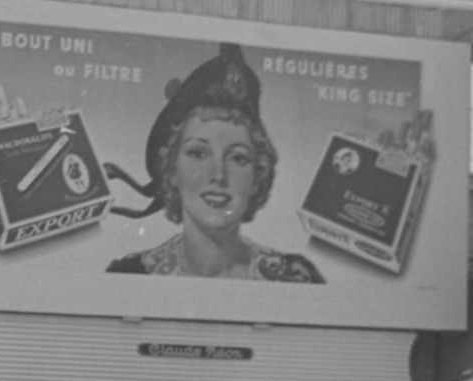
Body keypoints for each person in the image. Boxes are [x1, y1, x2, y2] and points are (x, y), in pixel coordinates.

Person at [107, 45, 323, 282]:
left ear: (257, 176)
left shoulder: (296, 278)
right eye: (198, 153)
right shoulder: (130, 274)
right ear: (171, 170)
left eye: (238, 158)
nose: (218, 175)